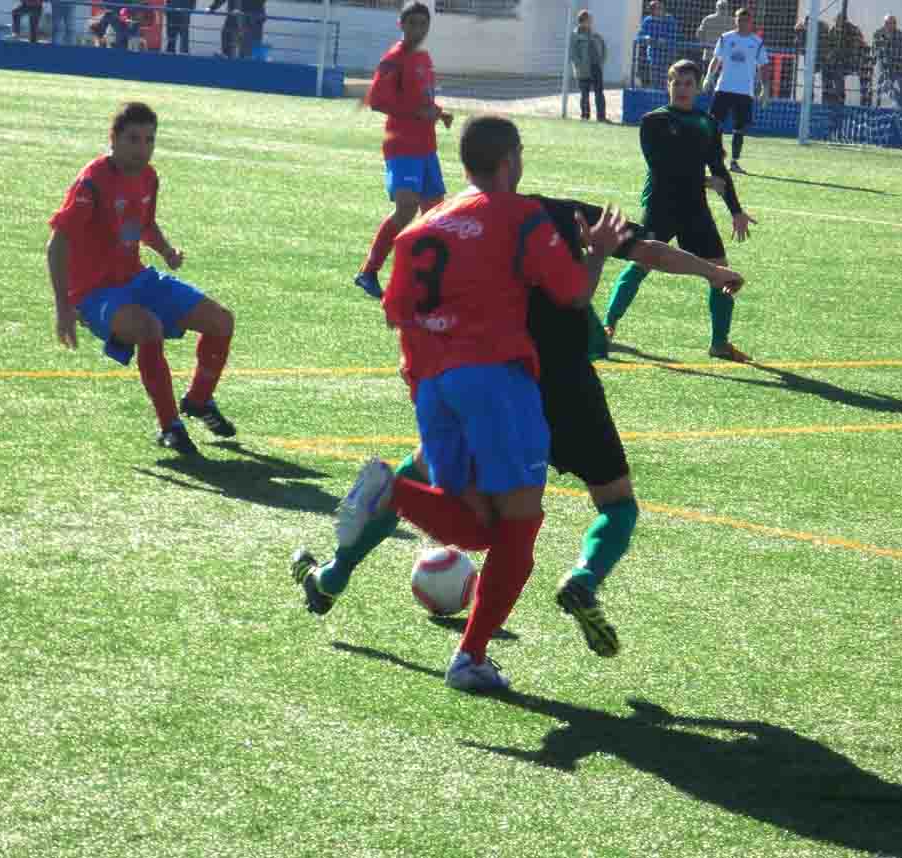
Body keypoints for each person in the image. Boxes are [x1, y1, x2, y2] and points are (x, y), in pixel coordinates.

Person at [291, 194, 743, 661]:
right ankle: (583, 579)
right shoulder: (560, 214)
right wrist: (713, 272)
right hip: (569, 386)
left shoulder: (458, 222)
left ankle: (334, 576)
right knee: (615, 503)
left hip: (500, 381)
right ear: (512, 162)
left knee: (427, 476)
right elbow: (648, 252)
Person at [313, 116, 630, 692]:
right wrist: (600, 251)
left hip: (432, 382)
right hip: (495, 380)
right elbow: (572, 295)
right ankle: (470, 656)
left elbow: (396, 312)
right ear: (510, 161)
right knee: (521, 528)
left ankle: (397, 493)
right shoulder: (518, 214)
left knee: (479, 529)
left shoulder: (424, 225)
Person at [46, 102, 237, 456]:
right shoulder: (92, 182)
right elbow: (57, 242)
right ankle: (170, 427)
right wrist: (63, 305)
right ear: (113, 139)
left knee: (221, 321)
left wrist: (165, 251)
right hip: (94, 293)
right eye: (134, 139)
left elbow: (143, 224)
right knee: (148, 327)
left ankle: (198, 400)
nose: (142, 148)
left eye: (149, 140)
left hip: (137, 279)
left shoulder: (149, 177)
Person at [604, 59, 757, 362]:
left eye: (689, 83)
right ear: (668, 85)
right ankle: (609, 324)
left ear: (698, 88)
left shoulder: (708, 123)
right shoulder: (654, 121)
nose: (683, 89)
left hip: (694, 207)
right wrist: (703, 180)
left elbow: (719, 170)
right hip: (661, 203)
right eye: (677, 82)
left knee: (720, 270)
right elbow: (661, 165)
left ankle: (719, 343)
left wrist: (736, 210)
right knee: (640, 263)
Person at [353, 2, 453, 300]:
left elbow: (421, 98)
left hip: (426, 147)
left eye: (423, 25)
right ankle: (369, 271)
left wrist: (438, 112)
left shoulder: (423, 58)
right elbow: (377, 101)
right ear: (401, 24)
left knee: (435, 217)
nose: (418, 30)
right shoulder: (393, 59)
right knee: (407, 208)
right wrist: (416, 113)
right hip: (402, 146)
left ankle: (424, 281)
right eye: (413, 24)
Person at [704, 6, 770, 174]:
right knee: (714, 125)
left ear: (751, 22)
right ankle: (714, 157)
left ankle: (734, 161)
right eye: (739, 19)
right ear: (735, 20)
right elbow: (716, 59)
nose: (742, 23)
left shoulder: (757, 42)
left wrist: (765, 88)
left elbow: (763, 67)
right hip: (724, 88)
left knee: (739, 128)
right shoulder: (726, 38)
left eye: (746, 20)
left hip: (744, 92)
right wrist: (708, 77)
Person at [824, 12, 873, 108]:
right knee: (835, 72)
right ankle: (839, 100)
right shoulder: (833, 31)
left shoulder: (854, 30)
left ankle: (865, 102)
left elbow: (858, 46)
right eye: (837, 21)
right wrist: (832, 56)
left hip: (856, 61)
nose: (838, 24)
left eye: (840, 21)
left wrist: (849, 55)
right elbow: (829, 47)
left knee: (865, 73)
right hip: (842, 63)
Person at [570, 9, 608, 122]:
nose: (591, 22)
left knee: (599, 93)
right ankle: (585, 116)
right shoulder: (575, 35)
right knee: (584, 94)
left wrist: (601, 61)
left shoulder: (595, 34)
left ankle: (601, 117)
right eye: (589, 20)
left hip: (596, 67)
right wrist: (579, 65)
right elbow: (573, 53)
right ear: (583, 21)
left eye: (591, 20)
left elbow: (604, 47)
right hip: (583, 70)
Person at [638, 0, 679, 90]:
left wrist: (665, 40)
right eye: (654, 8)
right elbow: (640, 35)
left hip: (668, 54)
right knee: (655, 77)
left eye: (659, 8)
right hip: (654, 54)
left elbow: (674, 36)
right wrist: (646, 37)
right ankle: (656, 92)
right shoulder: (647, 20)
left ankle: (668, 93)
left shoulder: (670, 20)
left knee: (668, 76)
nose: (657, 10)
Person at [872, 15, 902, 111]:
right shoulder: (878, 34)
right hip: (885, 67)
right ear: (885, 24)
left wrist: (885, 46)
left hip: (901, 66)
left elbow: (899, 47)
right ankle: (898, 104)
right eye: (888, 23)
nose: (891, 25)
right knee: (883, 86)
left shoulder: (899, 34)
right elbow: (875, 50)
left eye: (893, 23)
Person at [696, 0, 735, 67]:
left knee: (708, 76)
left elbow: (699, 34)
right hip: (724, 56)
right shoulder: (732, 21)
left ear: (716, 8)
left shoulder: (708, 19)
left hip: (710, 54)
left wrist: (704, 43)